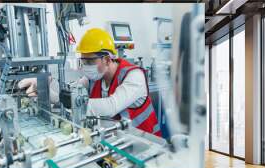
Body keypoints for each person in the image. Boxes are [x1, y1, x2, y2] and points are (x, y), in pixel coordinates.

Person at [19, 28, 161, 137]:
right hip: (118, 139)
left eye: (90, 61)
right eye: (83, 61)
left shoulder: (133, 76)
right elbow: (71, 92)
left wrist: (71, 101)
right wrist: (45, 86)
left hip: (147, 142)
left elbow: (112, 106)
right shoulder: (94, 77)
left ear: (106, 59)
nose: (86, 66)